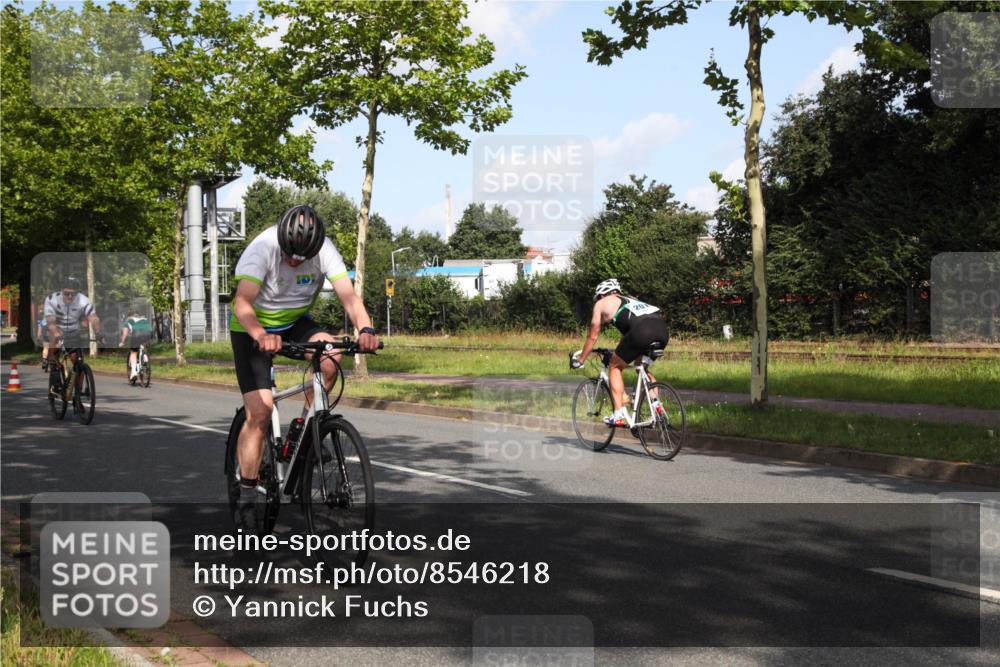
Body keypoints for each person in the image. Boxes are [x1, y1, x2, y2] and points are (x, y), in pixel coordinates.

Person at [230, 204, 379, 531]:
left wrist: (366, 329)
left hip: (293, 322)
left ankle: (303, 428)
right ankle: (246, 495)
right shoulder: (262, 248)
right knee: (261, 411)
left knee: (331, 354)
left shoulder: (325, 250)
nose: (295, 262)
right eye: (290, 256)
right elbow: (241, 303)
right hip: (252, 328)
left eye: (303, 258)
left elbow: (350, 298)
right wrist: (260, 335)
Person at [572, 279, 669, 427]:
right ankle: (657, 407)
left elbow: (592, 336)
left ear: (601, 295)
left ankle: (618, 415)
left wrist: (580, 359)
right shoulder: (632, 299)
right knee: (641, 367)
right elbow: (630, 334)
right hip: (661, 330)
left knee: (614, 366)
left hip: (641, 331)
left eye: (597, 298)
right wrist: (618, 352)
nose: (597, 301)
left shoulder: (601, 303)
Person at [44, 276, 102, 392]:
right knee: (54, 345)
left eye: (73, 294)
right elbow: (50, 321)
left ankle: (78, 392)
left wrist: (99, 333)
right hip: (56, 328)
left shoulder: (83, 300)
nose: (70, 296)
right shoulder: (52, 299)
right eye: (67, 293)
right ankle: (54, 370)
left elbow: (93, 317)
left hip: (73, 332)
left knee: (78, 361)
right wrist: (57, 334)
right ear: (61, 290)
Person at [119, 311, 152, 381]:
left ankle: (133, 371)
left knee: (133, 352)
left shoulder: (128, 321)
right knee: (143, 346)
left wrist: (122, 342)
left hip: (137, 334)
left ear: (129, 316)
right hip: (148, 333)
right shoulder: (143, 319)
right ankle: (144, 357)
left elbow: (125, 333)